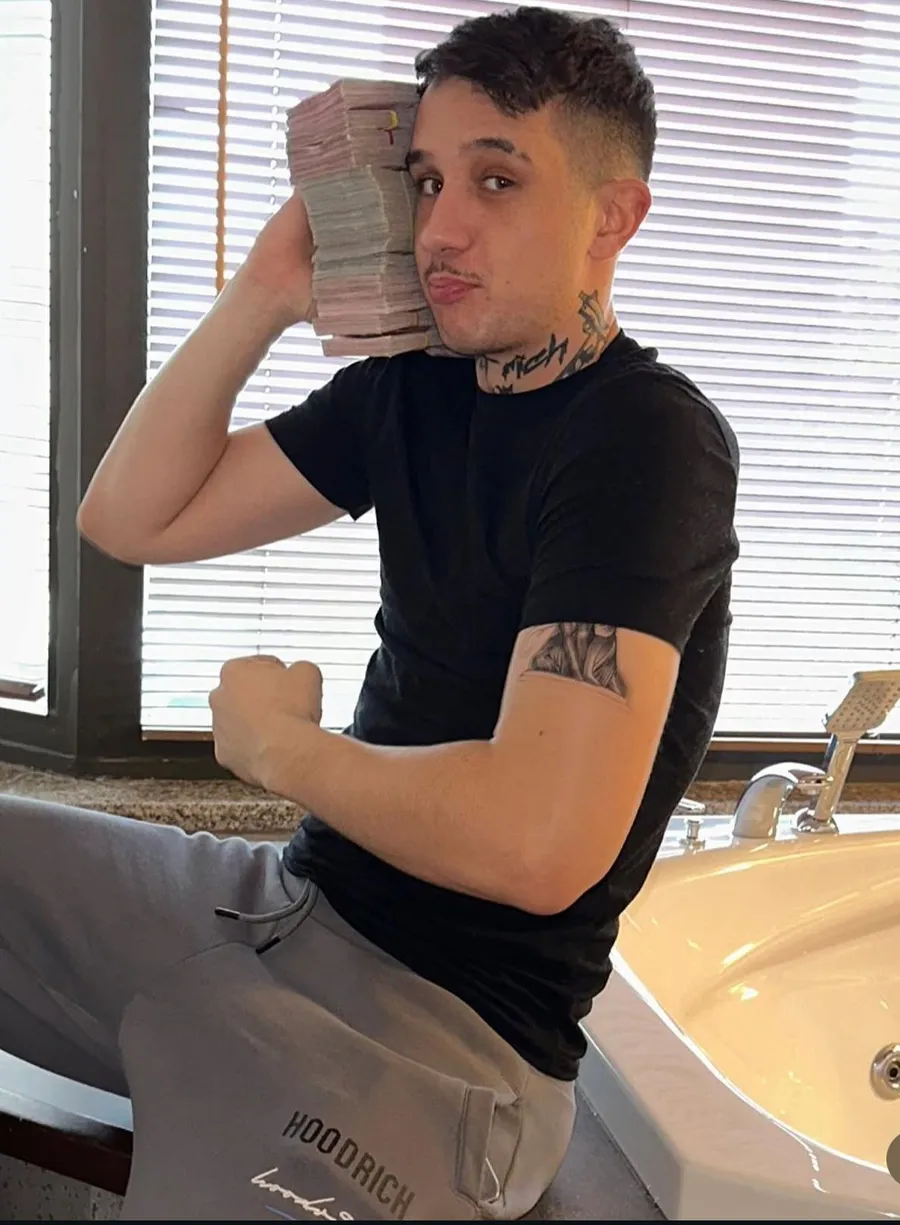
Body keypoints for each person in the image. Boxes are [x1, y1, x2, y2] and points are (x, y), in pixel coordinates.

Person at [3, 6, 739, 1220]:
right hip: (276, 907)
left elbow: (537, 843)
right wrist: (263, 292)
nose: (440, 226)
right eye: (426, 180)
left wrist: (279, 750)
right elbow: (128, 517)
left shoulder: (645, 437)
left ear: (612, 218)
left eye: (497, 179)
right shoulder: (412, 391)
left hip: (444, 1036)